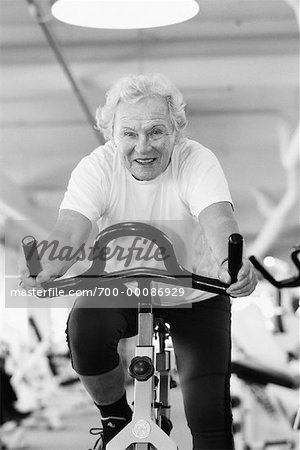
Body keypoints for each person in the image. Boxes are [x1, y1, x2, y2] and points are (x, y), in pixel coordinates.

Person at [20, 74, 257, 450]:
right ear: (111, 134)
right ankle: (115, 417)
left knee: (209, 415)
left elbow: (219, 220)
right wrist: (47, 268)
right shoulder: (97, 166)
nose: (142, 146)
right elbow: (69, 230)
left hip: (196, 290)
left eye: (156, 132)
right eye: (129, 134)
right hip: (123, 284)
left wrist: (232, 267)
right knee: (85, 332)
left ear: (176, 131)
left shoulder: (197, 160)